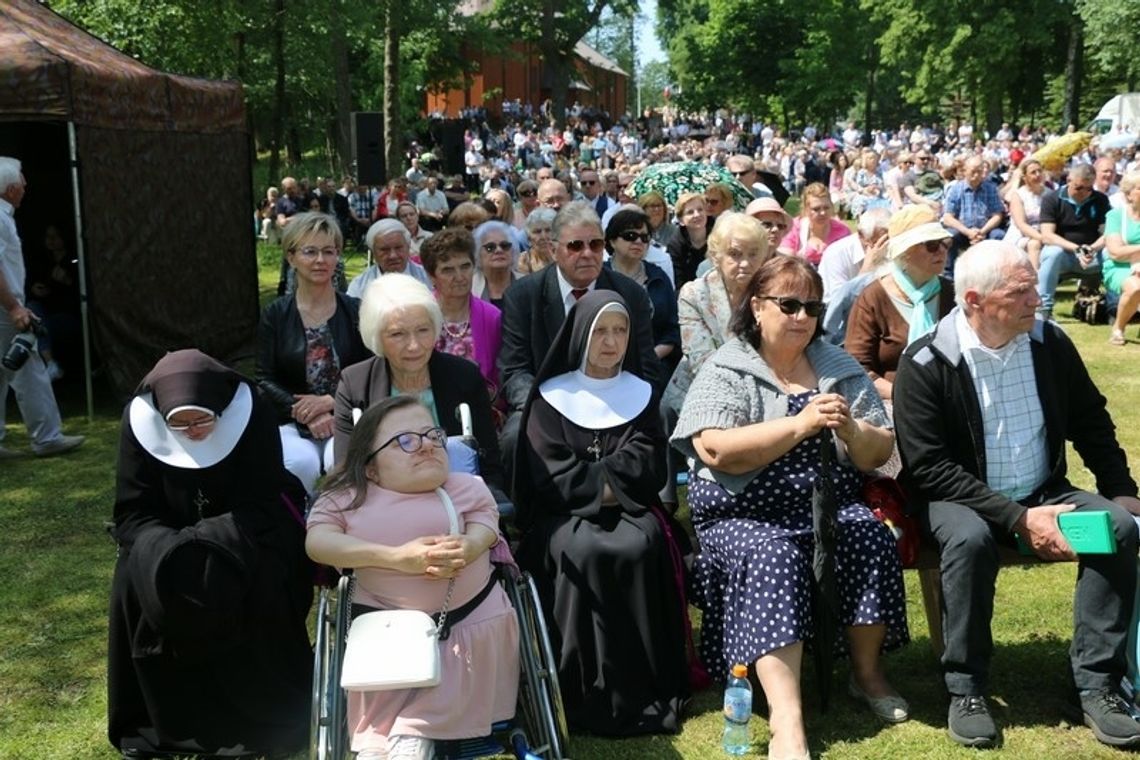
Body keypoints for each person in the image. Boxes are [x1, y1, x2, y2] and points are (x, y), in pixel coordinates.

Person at [892, 241, 1140, 750]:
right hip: (959, 500)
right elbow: (930, 468)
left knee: (1116, 529)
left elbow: (1090, 420)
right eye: (1021, 290)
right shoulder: (926, 362)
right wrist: (1019, 520)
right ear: (975, 300)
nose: (1037, 299)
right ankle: (966, 688)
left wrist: (1122, 492)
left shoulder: (1050, 342)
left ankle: (1098, 684)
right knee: (968, 541)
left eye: (1033, 287)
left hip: (1043, 491)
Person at [672, 255, 909, 760]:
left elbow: (881, 453)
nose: (802, 316)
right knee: (772, 554)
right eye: (789, 304)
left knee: (868, 535)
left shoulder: (838, 367)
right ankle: (787, 717)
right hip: (743, 513)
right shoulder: (729, 366)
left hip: (825, 507)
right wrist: (800, 425)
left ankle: (866, 676)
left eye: (812, 306)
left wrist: (850, 428)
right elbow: (714, 448)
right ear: (757, 307)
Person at [107, 349, 312, 757]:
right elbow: (132, 511)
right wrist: (169, 549)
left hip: (248, 530)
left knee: (266, 577)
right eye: (179, 424)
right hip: (165, 536)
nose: (194, 430)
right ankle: (163, 722)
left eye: (202, 419)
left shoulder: (250, 410)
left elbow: (266, 497)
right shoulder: (138, 421)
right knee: (133, 579)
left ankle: (266, 715)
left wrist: (215, 538)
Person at [513, 291, 690, 736]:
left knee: (641, 542)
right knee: (585, 550)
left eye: (621, 330)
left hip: (630, 513)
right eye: (601, 331)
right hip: (562, 518)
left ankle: (645, 685)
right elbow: (549, 474)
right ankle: (580, 691)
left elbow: (647, 467)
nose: (611, 342)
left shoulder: (642, 394)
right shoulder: (550, 397)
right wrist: (609, 478)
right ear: (580, 336)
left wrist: (596, 476)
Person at [307, 396, 519, 760]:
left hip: (468, 625)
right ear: (370, 467)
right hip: (387, 635)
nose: (427, 446)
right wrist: (396, 558)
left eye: (433, 436)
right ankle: (392, 742)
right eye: (406, 441)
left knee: (410, 730)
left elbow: (487, 522)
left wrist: (470, 546)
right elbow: (318, 542)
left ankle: (410, 736)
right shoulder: (347, 497)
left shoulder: (467, 486)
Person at [498, 202, 662, 468]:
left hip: (616, 398)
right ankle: (527, 508)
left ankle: (653, 503)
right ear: (553, 250)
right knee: (515, 436)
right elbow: (514, 371)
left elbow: (646, 366)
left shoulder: (630, 295)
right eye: (575, 246)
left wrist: (630, 399)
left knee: (658, 415)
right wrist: (547, 407)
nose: (587, 254)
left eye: (595, 245)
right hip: (545, 403)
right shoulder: (523, 296)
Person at [334, 274, 506, 499]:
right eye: (397, 334)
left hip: (459, 499)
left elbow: (488, 463)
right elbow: (346, 471)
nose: (414, 346)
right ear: (376, 337)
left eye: (423, 330)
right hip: (386, 505)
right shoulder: (355, 384)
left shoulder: (465, 376)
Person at [257, 212, 369, 493]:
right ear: (291, 257)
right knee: (299, 464)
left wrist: (332, 403)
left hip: (347, 414)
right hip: (291, 419)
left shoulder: (356, 310)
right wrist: (307, 413)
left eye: (328, 252)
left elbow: (371, 370)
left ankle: (345, 531)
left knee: (342, 463)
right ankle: (297, 529)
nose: (320, 260)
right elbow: (264, 378)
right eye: (310, 251)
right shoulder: (275, 314)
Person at [0, 157, 84, 458]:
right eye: (21, 180)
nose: (25, 185)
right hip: (4, 307)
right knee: (29, 367)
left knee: (2, 370)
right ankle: (47, 437)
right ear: (10, 188)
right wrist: (14, 307)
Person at [846, 206, 956, 401]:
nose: (941, 251)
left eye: (945, 243)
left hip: (948, 400)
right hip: (892, 403)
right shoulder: (873, 298)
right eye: (931, 244)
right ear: (904, 252)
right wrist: (905, 398)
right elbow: (857, 368)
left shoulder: (953, 293)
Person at [420, 228, 503, 406]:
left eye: (465, 266)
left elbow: (500, 377)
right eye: (448, 270)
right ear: (431, 276)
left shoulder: (492, 317)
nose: (459, 277)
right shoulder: (420, 316)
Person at [603, 208, 680, 370]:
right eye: (630, 236)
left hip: (652, 365)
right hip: (604, 363)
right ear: (612, 241)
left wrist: (649, 357)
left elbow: (672, 330)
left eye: (644, 238)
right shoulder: (598, 278)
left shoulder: (658, 278)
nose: (638, 242)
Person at [1036, 163, 1110, 319]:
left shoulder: (1101, 200)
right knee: (1052, 252)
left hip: (1092, 255)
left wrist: (1092, 249)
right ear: (1069, 180)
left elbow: (1108, 234)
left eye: (1088, 188)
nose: (1083, 192)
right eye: (1078, 187)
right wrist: (1076, 249)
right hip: (1064, 255)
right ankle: (1044, 308)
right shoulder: (1052, 199)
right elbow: (1047, 235)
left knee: (1111, 252)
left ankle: (1114, 306)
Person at [941, 156, 1006, 277]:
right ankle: (948, 275)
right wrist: (968, 232)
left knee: (999, 236)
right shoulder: (955, 189)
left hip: (985, 229)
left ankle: (995, 274)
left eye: (979, 172)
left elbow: (997, 215)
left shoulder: (990, 188)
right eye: (973, 171)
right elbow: (948, 217)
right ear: (965, 171)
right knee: (948, 237)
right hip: (962, 231)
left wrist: (982, 231)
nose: (976, 175)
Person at [817, 207, 891, 304]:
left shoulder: (892, 246)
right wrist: (867, 268)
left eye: (887, 240)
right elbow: (840, 303)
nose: (884, 247)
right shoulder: (836, 253)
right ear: (861, 235)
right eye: (877, 242)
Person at [348, 219, 432, 297]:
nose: (393, 255)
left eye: (398, 248)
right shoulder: (359, 286)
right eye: (384, 250)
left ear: (408, 246)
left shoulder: (429, 279)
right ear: (373, 252)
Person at [777, 182, 852, 267]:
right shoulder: (794, 227)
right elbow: (785, 260)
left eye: (826, 207)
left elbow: (850, 261)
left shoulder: (842, 231)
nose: (823, 213)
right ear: (806, 209)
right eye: (816, 209)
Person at [1104, 170, 1140, 345]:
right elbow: (1115, 252)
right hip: (1120, 266)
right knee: (1135, 287)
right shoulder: (1115, 216)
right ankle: (1119, 327)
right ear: (1128, 194)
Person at [1001, 158, 1048, 269]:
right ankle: (1035, 281)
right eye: (1033, 172)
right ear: (1025, 177)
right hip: (1021, 234)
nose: (1037, 175)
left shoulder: (1049, 194)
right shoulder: (1018, 195)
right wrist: (1042, 238)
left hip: (1045, 232)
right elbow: (1021, 224)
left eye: (1039, 171)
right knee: (1034, 243)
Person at [471, 220, 522, 309]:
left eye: (505, 245)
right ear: (478, 253)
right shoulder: (469, 288)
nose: (499, 250)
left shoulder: (528, 284)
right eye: (490, 247)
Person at [667, 191, 712, 289]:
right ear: (681, 220)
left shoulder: (718, 235)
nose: (697, 215)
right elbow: (678, 282)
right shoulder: (675, 245)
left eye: (700, 209)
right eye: (690, 212)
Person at [518, 207, 555, 274]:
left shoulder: (566, 258)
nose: (543, 237)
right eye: (537, 232)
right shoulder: (522, 262)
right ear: (529, 238)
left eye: (548, 230)